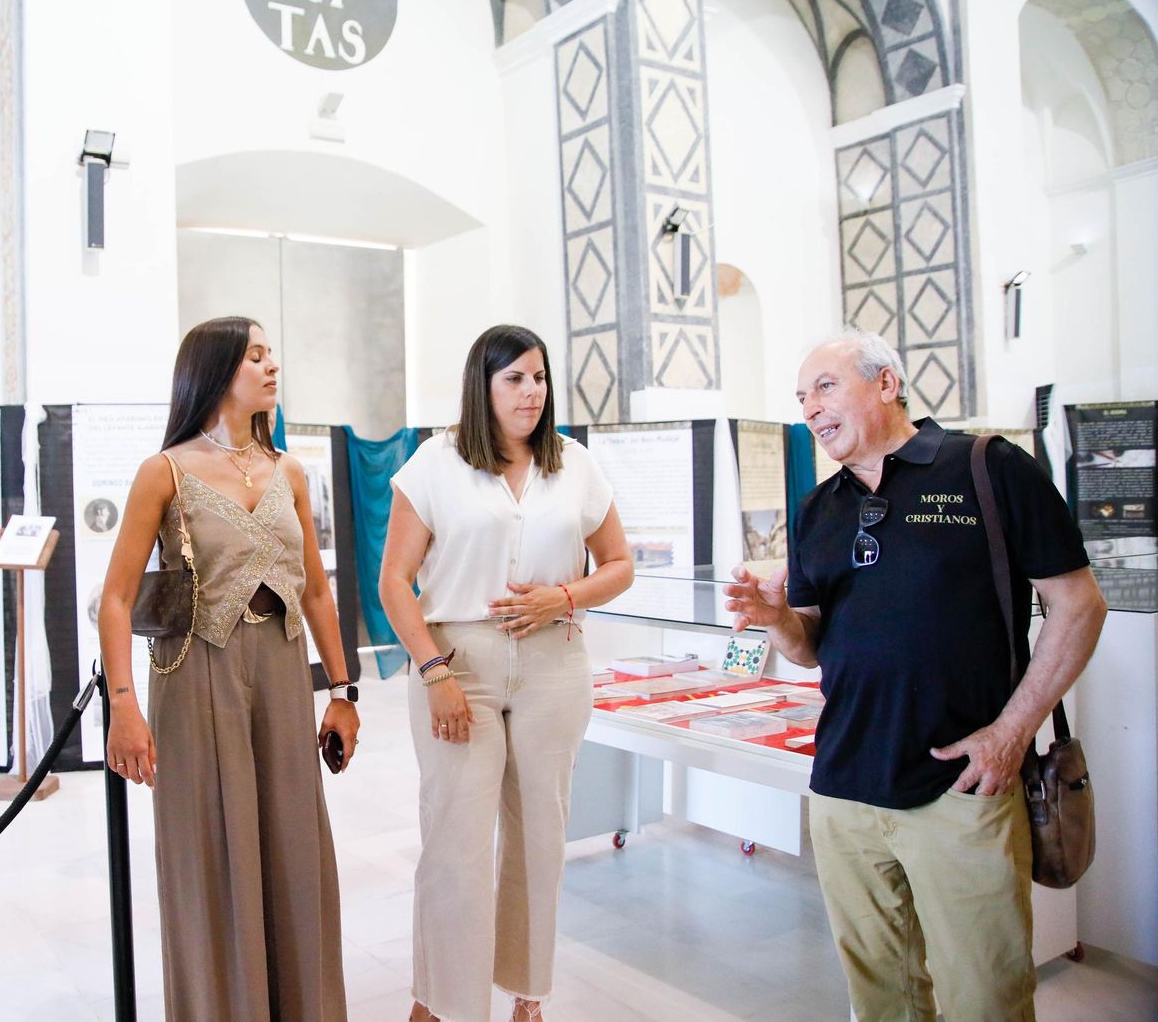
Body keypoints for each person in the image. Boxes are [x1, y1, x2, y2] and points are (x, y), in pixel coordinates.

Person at [725, 331, 1107, 1021]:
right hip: (844, 793)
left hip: (960, 790)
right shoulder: (818, 508)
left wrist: (1010, 734)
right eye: (801, 397)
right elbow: (810, 649)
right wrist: (775, 618)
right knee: (881, 1001)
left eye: (825, 387)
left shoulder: (988, 467)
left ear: (886, 384)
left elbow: (1079, 606)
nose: (810, 408)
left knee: (985, 997)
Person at [99, 316, 359, 1021]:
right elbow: (116, 598)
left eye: (271, 352)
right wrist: (124, 705)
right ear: (215, 371)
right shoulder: (166, 472)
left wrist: (343, 691)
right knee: (211, 853)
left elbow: (314, 589)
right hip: (195, 680)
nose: (271, 366)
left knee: (292, 849)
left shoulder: (291, 471)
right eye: (255, 355)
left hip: (279, 678)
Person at [380, 324, 634, 1022]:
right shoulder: (436, 463)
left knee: (540, 839)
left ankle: (529, 994)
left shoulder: (573, 464)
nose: (531, 392)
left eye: (539, 378)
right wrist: (435, 672)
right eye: (514, 379)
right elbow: (394, 582)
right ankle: (441, 1001)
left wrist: (566, 596)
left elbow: (619, 564)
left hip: (554, 663)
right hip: (459, 661)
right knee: (455, 841)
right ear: (483, 386)